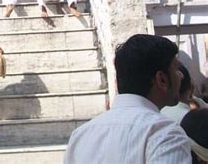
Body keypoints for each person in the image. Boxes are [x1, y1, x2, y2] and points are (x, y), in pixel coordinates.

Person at [64, 34, 191, 164]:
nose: (181, 76)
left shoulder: (81, 135)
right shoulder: (165, 133)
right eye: (176, 69)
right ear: (161, 79)